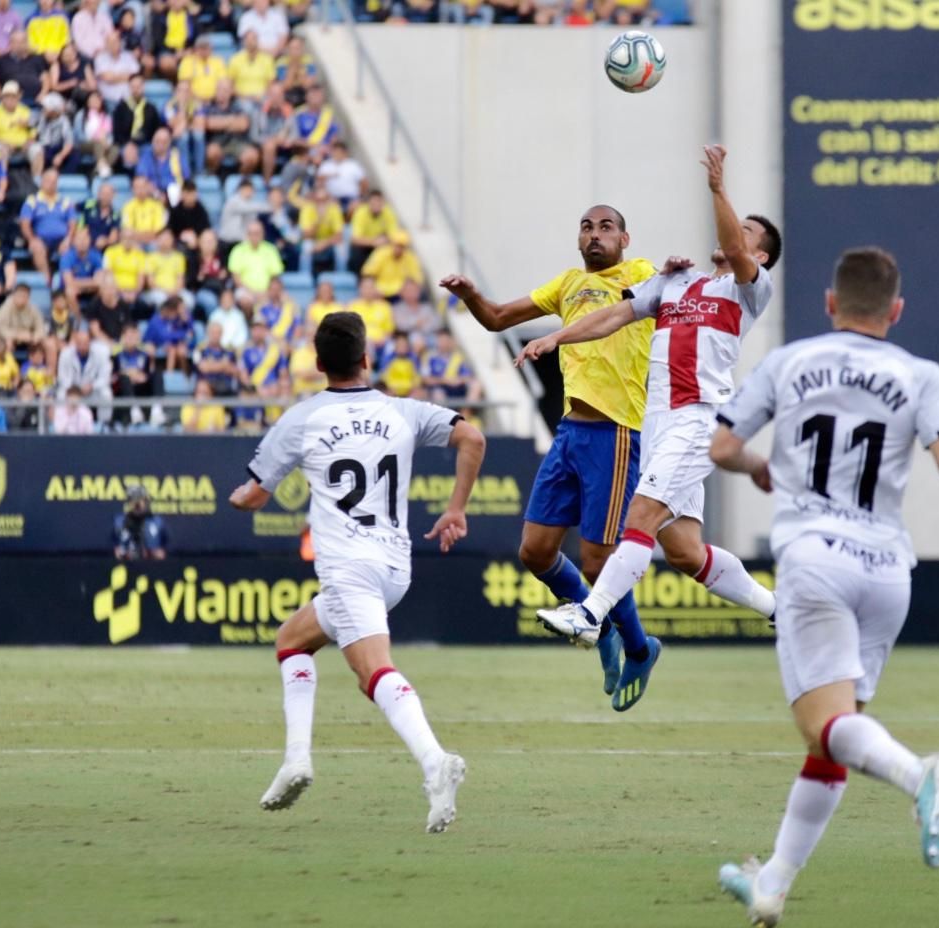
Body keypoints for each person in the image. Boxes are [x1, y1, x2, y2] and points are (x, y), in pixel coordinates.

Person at [710, 247, 939, 925]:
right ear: (896, 310)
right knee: (834, 734)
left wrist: (755, 465)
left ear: (830, 303)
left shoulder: (790, 361)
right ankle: (771, 884)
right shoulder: (920, 373)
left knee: (823, 725)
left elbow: (720, 448)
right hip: (889, 570)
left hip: (815, 560)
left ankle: (921, 776)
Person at [524, 146, 780, 709]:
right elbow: (613, 315)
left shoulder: (748, 288)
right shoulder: (677, 284)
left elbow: (734, 248)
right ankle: (779, 611)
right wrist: (554, 337)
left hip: (698, 421)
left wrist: (717, 188)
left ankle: (591, 616)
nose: (735, 232)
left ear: (760, 254)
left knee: (637, 519)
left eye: (746, 231)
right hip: (659, 426)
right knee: (687, 553)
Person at [227, 311, 486, 831]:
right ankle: (296, 759)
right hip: (394, 567)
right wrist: (456, 509)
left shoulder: (303, 418)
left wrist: (238, 496)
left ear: (319, 364)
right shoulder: (403, 411)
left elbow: (253, 496)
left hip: (349, 569)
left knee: (372, 670)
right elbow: (473, 439)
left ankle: (436, 763)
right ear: (367, 359)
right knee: (291, 641)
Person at [440, 203, 654, 700]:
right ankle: (596, 624)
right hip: (570, 432)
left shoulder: (641, 275)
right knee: (535, 551)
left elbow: (653, 293)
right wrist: (472, 295)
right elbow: (495, 319)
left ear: (625, 238)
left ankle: (640, 650)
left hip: (616, 432)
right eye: (587, 227)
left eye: (606, 227)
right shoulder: (566, 285)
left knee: (600, 562)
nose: (595, 234)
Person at [113, 483, 167, 559]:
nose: (137, 503)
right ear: (128, 502)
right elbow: (114, 550)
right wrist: (122, 553)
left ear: (146, 501)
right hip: (127, 566)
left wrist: (153, 553)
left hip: (152, 567)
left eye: (140, 498)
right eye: (133, 499)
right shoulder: (120, 522)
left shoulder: (157, 522)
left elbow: (165, 550)